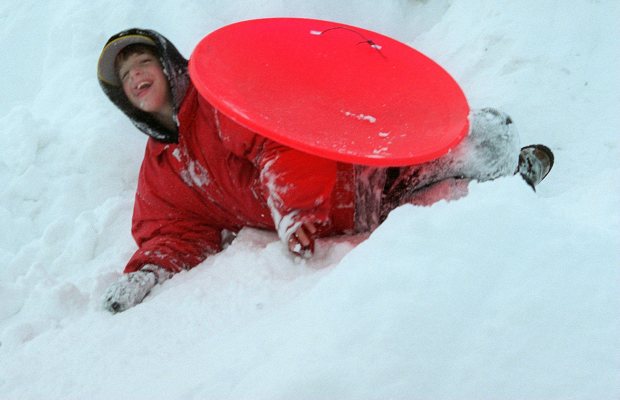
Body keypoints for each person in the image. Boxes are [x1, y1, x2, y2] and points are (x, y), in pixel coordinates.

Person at [97, 28, 554, 313]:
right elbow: (175, 230)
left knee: (461, 148)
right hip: (340, 219)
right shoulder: (160, 171)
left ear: (168, 65)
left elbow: (277, 142)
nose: (138, 75)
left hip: (350, 171)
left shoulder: (220, 103)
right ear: (122, 97)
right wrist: (149, 271)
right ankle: (509, 188)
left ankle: (495, 157)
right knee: (428, 214)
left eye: (144, 62)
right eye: (127, 75)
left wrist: (294, 210)